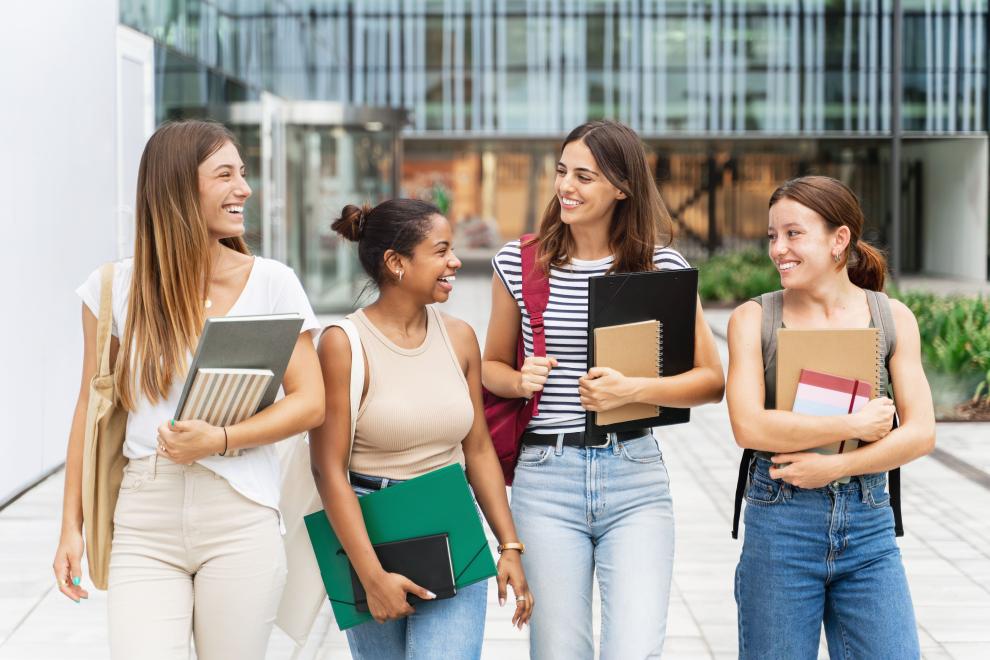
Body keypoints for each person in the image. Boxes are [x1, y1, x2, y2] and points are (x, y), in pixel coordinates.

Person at [52, 120, 325, 660]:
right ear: (178, 187)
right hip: (144, 517)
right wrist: (70, 527)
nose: (244, 189)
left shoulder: (272, 282)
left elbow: (311, 401)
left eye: (242, 174)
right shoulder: (113, 289)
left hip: (240, 512)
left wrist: (221, 439)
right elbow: (89, 405)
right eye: (225, 175)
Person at [481, 120, 725, 659]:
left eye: (585, 176)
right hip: (547, 481)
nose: (566, 186)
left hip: (634, 476)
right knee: (559, 652)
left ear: (621, 187)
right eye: (563, 171)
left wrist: (634, 389)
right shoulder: (520, 264)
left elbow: (712, 381)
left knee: (634, 650)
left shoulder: (661, 267)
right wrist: (520, 380)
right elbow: (490, 366)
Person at [310, 198, 533, 659]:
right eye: (441, 250)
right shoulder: (342, 344)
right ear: (395, 262)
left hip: (452, 525)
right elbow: (328, 471)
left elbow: (478, 450)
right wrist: (372, 577)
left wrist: (508, 544)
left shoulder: (460, 337)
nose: (455, 261)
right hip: (371, 532)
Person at [726, 175, 936, 659]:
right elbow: (749, 427)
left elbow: (922, 432)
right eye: (773, 236)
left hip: (869, 525)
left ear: (839, 240)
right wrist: (852, 426)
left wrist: (837, 466)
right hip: (781, 524)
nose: (779, 248)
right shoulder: (752, 320)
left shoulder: (892, 318)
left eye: (793, 234)